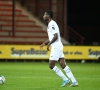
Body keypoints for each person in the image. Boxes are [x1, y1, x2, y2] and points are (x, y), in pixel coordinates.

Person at [40, 10, 78, 87]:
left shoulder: (52, 24)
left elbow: (56, 36)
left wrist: (49, 44)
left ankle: (65, 79)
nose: (43, 16)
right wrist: (44, 43)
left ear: (48, 16)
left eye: (45, 15)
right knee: (62, 64)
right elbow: (51, 37)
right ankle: (74, 81)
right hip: (58, 46)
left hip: (56, 46)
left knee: (51, 65)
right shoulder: (50, 25)